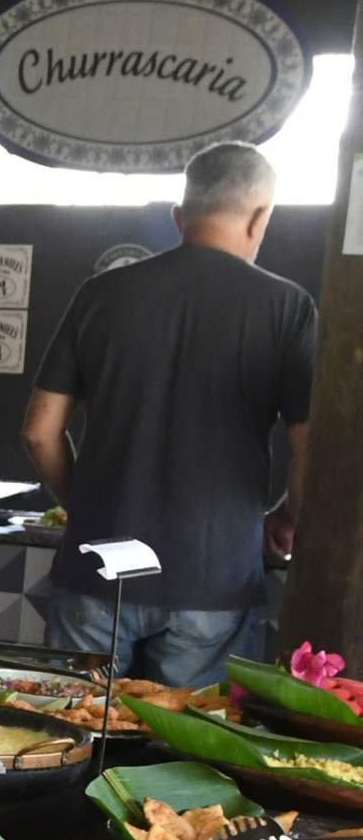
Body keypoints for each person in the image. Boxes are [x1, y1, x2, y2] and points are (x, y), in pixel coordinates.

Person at [22, 141, 314, 687]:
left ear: (180, 217)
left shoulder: (101, 295)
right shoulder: (286, 307)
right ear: (260, 217)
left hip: (97, 571)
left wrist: (84, 505)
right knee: (188, 759)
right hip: (215, 581)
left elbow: (40, 432)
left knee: (71, 742)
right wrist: (287, 518)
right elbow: (309, 447)